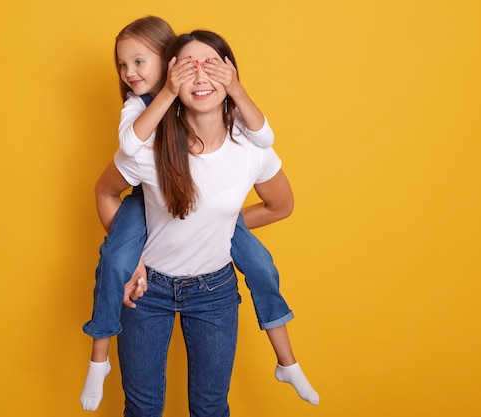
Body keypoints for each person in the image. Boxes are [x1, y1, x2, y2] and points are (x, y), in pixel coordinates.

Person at [80, 17, 319, 411]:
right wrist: (133, 262)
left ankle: (287, 361)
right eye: (188, 67)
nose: (201, 75)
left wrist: (220, 224)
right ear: (172, 77)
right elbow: (105, 189)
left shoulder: (250, 145)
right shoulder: (147, 139)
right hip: (147, 293)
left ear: (231, 74)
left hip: (215, 294)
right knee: (142, 408)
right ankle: (98, 359)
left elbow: (281, 203)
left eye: (211, 65)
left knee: (210, 408)